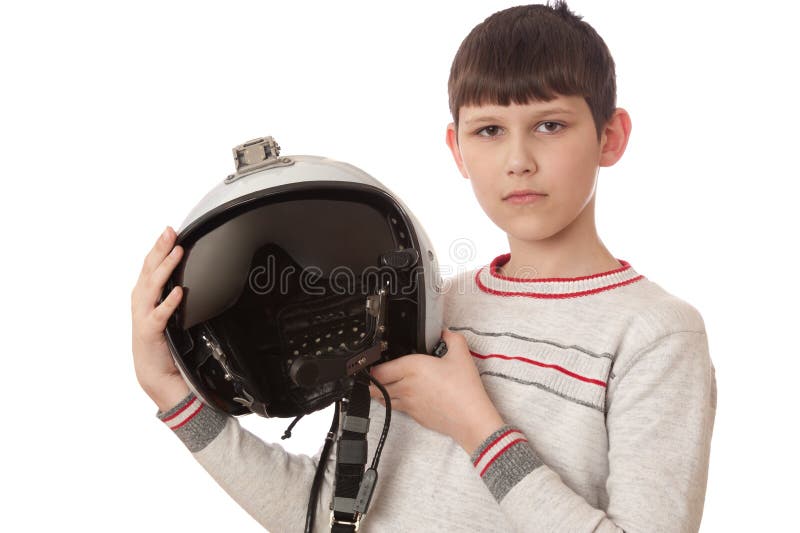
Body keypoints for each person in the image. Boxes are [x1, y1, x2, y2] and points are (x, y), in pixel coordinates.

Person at [131, 2, 716, 531]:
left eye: (550, 125)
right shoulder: (425, 306)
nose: (518, 161)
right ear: (457, 149)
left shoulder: (656, 335)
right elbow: (325, 512)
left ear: (610, 137)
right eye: (489, 130)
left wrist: (477, 429)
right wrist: (172, 396)